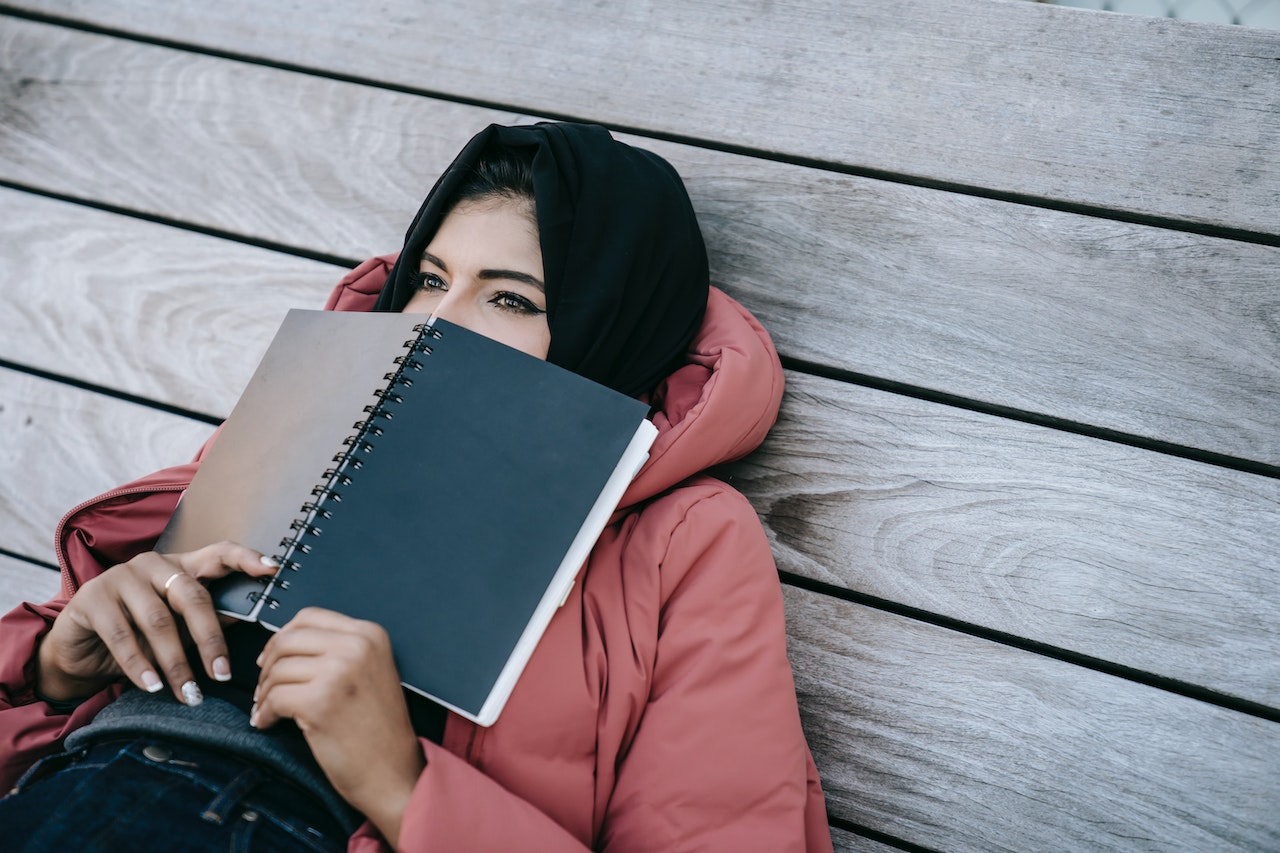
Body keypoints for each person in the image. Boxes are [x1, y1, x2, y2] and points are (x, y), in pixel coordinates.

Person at [0, 123, 833, 851]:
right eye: (430, 281)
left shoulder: (685, 538)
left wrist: (402, 784)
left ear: (610, 325)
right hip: (65, 786)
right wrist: (52, 670)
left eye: (509, 297)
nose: (434, 323)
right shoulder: (312, 420)